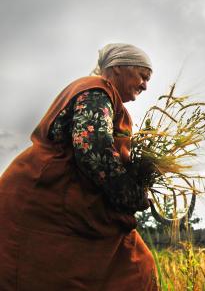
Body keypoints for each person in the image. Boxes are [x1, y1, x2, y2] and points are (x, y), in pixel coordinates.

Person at [0, 43, 158, 290]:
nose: (145, 85)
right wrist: (131, 194)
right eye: (142, 76)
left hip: (68, 203)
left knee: (134, 267)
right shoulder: (96, 90)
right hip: (45, 201)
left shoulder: (105, 97)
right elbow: (93, 149)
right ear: (118, 68)